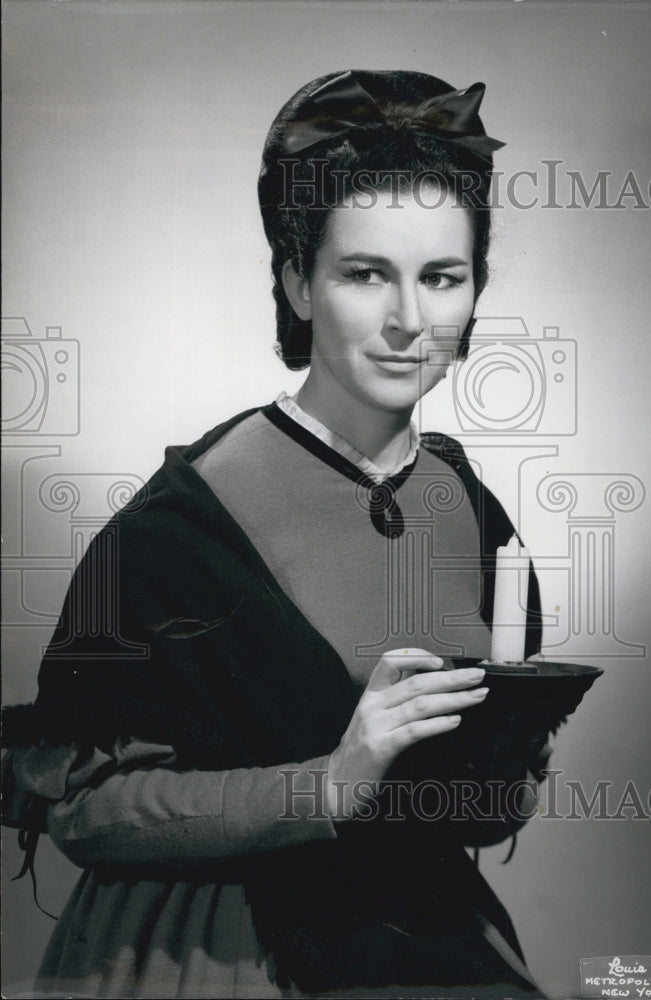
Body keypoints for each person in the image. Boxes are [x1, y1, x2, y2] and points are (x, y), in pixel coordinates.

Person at [2, 70, 552, 999]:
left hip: (418, 941)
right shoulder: (178, 525)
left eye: (440, 277)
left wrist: (504, 769)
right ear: (298, 283)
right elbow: (85, 812)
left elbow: (481, 809)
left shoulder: (474, 511)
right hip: (210, 952)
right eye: (364, 274)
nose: (408, 321)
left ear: (474, 292)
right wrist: (330, 783)